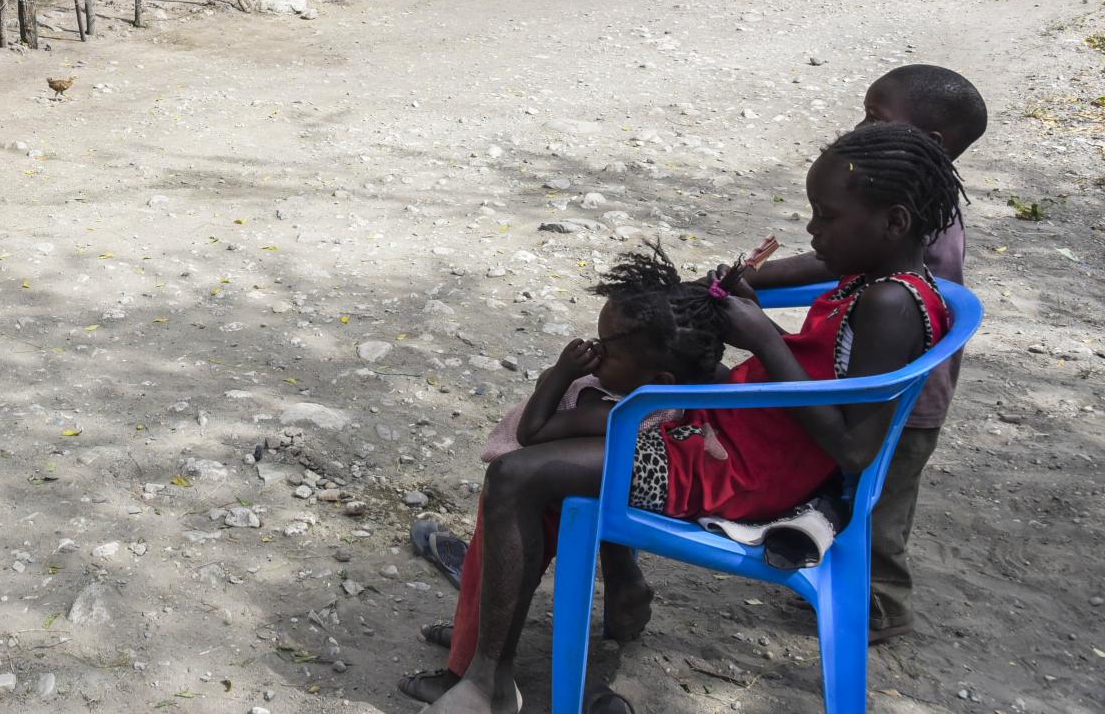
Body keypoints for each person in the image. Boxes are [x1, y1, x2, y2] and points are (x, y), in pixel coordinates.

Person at [431, 123, 965, 714]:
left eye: (827, 216)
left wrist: (764, 340)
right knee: (573, 426)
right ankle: (514, 646)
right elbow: (828, 378)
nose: (813, 229)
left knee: (518, 475)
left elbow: (855, 449)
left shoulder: (890, 304)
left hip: (735, 472)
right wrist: (750, 317)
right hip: (737, 439)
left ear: (893, 222)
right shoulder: (879, 285)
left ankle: (486, 678)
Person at [397, 246, 735, 706]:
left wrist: (562, 372)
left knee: (500, 522)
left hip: (594, 484)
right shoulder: (687, 388)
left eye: (605, 349)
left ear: (658, 376)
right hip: (636, 478)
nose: (593, 357)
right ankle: (615, 581)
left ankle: (470, 667)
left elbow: (531, 431)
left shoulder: (609, 408)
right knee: (536, 506)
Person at [743, 63, 985, 641]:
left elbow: (837, 263)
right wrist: (757, 278)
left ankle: (882, 605)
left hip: (904, 395)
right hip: (875, 379)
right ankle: (838, 573)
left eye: (876, 117)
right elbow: (839, 256)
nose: (859, 125)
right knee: (857, 499)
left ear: (930, 143)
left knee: (882, 508)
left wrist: (761, 292)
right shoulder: (904, 203)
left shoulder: (919, 221)